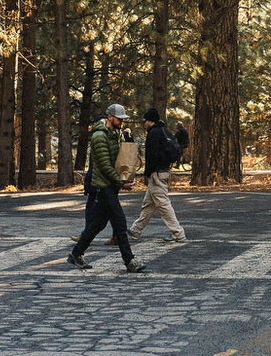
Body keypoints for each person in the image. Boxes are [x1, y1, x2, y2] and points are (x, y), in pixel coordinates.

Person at [68, 104, 146, 272]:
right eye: (119, 119)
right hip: (103, 187)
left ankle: (76, 253)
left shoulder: (114, 134)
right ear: (110, 117)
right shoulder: (99, 137)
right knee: (120, 223)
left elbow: (119, 160)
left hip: (109, 185)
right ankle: (130, 261)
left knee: (98, 224)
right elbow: (104, 165)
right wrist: (120, 182)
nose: (122, 122)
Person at [130, 108, 186, 243]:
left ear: (150, 121)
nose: (144, 123)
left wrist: (147, 173)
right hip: (164, 171)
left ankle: (178, 233)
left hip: (156, 173)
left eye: (145, 121)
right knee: (148, 204)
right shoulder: (164, 131)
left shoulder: (153, 133)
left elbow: (151, 156)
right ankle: (135, 230)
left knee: (163, 203)